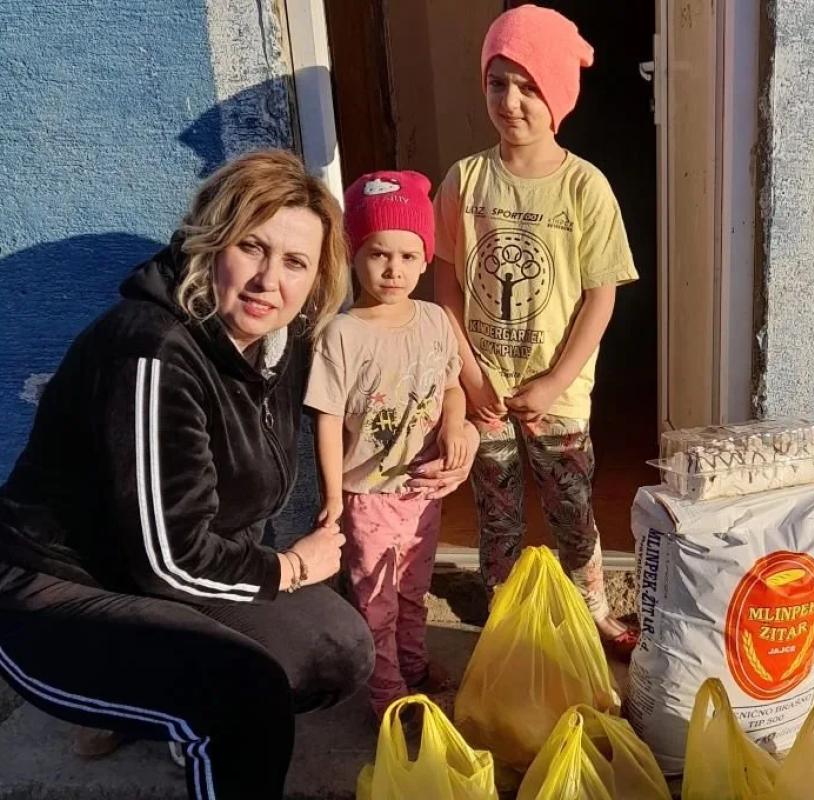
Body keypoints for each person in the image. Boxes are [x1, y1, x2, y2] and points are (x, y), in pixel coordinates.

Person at [0, 150, 467, 799]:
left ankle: (159, 701)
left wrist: (461, 426)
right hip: (58, 587)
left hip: (166, 570)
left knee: (341, 651)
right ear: (212, 241)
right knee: (244, 699)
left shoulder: (276, 346)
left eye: (296, 262)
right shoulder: (151, 351)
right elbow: (169, 559)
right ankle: (158, 702)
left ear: (317, 278)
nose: (268, 279)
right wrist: (291, 567)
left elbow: (400, 381)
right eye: (252, 246)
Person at [433, 5, 640, 659]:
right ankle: (504, 610)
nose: (511, 101)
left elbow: (601, 298)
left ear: (558, 95)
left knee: (571, 506)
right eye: (498, 83)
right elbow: (445, 282)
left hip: (559, 395)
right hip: (484, 390)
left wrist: (554, 381)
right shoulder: (465, 180)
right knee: (495, 510)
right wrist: (470, 374)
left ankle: (592, 609)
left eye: (529, 86)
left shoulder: (585, 187)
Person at [306, 169, 475, 720]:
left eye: (407, 255)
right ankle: (387, 696)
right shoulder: (341, 334)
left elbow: (451, 387)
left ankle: (415, 667)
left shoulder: (435, 321)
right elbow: (327, 418)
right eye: (379, 253)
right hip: (369, 496)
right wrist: (335, 496)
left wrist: (455, 426)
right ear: (354, 255)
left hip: (423, 492)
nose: (393, 269)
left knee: (412, 592)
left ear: (425, 259)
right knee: (375, 600)